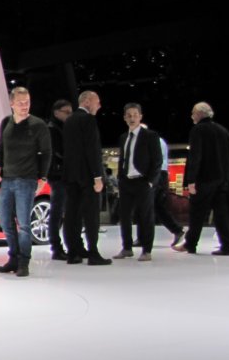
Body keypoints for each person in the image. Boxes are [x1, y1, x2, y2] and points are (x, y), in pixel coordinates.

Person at [0, 87, 51, 277]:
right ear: (12, 103)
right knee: (4, 221)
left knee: (24, 224)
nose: (25, 106)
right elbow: (0, 148)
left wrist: (43, 177)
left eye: (27, 102)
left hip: (27, 179)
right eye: (20, 103)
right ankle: (13, 257)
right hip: (7, 180)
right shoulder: (6, 123)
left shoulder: (38, 125)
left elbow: (46, 152)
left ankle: (24, 261)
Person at [175, 101, 229, 255]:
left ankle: (190, 244)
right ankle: (227, 246)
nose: (192, 116)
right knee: (221, 214)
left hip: (204, 180)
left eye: (193, 113)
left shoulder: (198, 130)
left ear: (198, 114)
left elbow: (196, 156)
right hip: (222, 180)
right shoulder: (223, 130)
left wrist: (191, 180)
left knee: (197, 213)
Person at [62, 90, 111, 265]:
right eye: (97, 102)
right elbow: (92, 149)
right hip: (87, 176)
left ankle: (73, 253)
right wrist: (98, 176)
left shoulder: (69, 121)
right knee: (91, 215)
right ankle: (93, 253)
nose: (99, 106)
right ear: (87, 101)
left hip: (70, 175)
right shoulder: (88, 120)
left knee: (72, 214)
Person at [112, 104, 162, 262]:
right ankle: (127, 248)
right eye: (129, 115)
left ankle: (147, 250)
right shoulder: (123, 138)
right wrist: (120, 178)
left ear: (140, 116)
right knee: (124, 216)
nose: (132, 118)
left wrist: (151, 181)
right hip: (126, 182)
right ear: (124, 118)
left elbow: (157, 160)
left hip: (143, 181)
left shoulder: (150, 136)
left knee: (146, 216)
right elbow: (123, 159)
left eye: (135, 115)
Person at [145, 125, 185, 247]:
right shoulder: (157, 140)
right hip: (158, 175)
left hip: (156, 175)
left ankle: (176, 230)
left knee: (150, 205)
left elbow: (153, 160)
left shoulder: (153, 140)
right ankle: (176, 230)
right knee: (155, 206)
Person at [45, 100, 73, 260]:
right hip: (58, 176)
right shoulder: (52, 130)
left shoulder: (61, 128)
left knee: (63, 211)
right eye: (66, 112)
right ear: (56, 112)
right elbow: (58, 152)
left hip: (62, 175)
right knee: (57, 212)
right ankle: (56, 246)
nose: (69, 115)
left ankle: (64, 245)